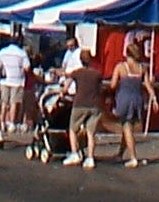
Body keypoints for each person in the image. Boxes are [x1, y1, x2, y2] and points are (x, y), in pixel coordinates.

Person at [107, 40, 148, 168]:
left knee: (126, 126)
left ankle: (133, 157)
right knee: (129, 127)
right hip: (137, 98)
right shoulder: (142, 67)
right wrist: (154, 96)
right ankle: (120, 154)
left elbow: (113, 85)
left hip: (124, 98)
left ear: (126, 53)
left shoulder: (120, 67)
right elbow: (147, 84)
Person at [62, 51, 105, 169]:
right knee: (91, 133)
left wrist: (62, 93)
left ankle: (74, 153)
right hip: (94, 105)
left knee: (72, 129)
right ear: (90, 60)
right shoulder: (97, 74)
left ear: (80, 60)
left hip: (80, 103)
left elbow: (66, 87)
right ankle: (90, 158)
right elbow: (100, 89)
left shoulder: (77, 73)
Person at [0, 33, 30, 148]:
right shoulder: (22, 53)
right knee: (14, 102)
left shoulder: (2, 52)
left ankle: (2, 122)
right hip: (17, 80)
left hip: (4, 80)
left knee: (4, 102)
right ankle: (11, 123)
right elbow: (27, 67)